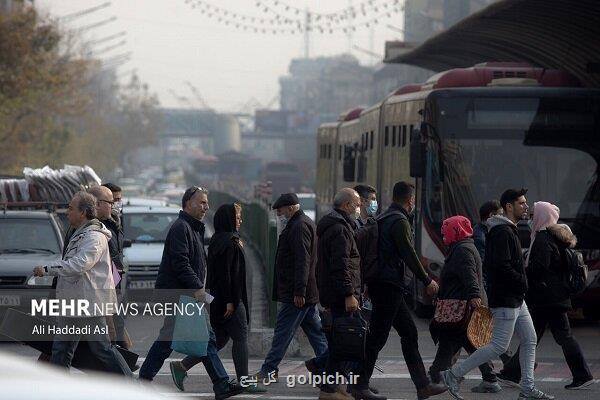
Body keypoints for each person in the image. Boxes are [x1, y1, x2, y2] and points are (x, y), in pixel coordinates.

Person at [441, 189, 554, 400]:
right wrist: (522, 281)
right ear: (509, 207)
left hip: (516, 298)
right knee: (498, 346)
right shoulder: (502, 232)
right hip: (506, 298)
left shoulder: (508, 229)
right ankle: (452, 374)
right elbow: (500, 266)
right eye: (521, 203)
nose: (525, 207)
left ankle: (527, 388)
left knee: (529, 339)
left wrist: (521, 284)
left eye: (525, 203)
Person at [139, 187, 242, 400]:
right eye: (202, 202)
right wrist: (198, 288)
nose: (206, 207)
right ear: (188, 203)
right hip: (182, 294)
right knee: (206, 337)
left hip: (185, 294)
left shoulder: (193, 228)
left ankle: (144, 379)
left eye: (207, 203)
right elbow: (180, 263)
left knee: (170, 339)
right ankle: (221, 384)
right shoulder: (181, 228)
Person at [356, 181, 446, 400]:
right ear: (410, 200)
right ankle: (359, 385)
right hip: (389, 285)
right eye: (413, 200)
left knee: (409, 332)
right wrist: (427, 280)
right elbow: (408, 254)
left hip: (385, 284)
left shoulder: (385, 217)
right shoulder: (399, 221)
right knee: (377, 336)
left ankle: (422, 386)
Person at [33, 192, 131, 376]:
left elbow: (80, 264)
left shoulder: (94, 237)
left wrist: (47, 269)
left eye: (71, 208)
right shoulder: (79, 233)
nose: (67, 212)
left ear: (83, 212)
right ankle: (57, 391)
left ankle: (133, 388)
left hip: (89, 302)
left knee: (102, 349)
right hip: (74, 301)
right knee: (61, 349)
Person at [170, 203, 264, 393]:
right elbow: (229, 276)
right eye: (237, 217)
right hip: (230, 300)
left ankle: (182, 366)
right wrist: (231, 301)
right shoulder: (231, 243)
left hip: (217, 299)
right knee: (240, 338)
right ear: (229, 219)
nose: (240, 221)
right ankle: (244, 382)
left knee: (219, 339)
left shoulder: (217, 240)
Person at [499, 203, 594, 390]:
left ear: (542, 216)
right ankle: (512, 373)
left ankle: (582, 375)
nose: (531, 217)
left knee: (551, 337)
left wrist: (524, 271)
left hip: (547, 298)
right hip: (553, 297)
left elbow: (539, 268)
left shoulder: (543, 238)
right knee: (533, 336)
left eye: (534, 214)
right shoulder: (554, 236)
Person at [254, 193, 328, 382]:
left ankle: (269, 369)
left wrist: (299, 291)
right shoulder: (303, 222)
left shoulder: (299, 226)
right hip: (306, 292)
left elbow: (302, 261)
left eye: (280, 210)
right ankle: (330, 367)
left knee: (283, 331)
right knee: (316, 333)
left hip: (297, 294)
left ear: (290, 207)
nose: (279, 213)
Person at [428, 216, 501, 394]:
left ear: (456, 231)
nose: (444, 234)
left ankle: (436, 376)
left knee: (449, 340)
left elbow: (469, 274)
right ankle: (490, 378)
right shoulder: (462, 246)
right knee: (469, 341)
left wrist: (474, 295)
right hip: (462, 304)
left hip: (460, 306)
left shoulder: (462, 250)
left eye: (446, 230)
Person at [316, 188, 362, 400]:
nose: (359, 208)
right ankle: (328, 390)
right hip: (340, 294)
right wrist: (349, 294)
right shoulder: (340, 230)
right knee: (341, 344)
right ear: (346, 206)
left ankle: (336, 387)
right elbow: (341, 264)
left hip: (334, 292)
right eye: (357, 203)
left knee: (340, 342)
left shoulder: (335, 226)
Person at [89, 185, 130, 349]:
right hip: (102, 287)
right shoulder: (96, 227)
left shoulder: (115, 222)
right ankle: (122, 367)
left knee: (115, 329)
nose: (116, 204)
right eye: (113, 200)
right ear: (98, 203)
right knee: (112, 333)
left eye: (119, 200)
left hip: (115, 284)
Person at [472, 200, 503, 266]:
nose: (503, 218)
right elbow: (483, 264)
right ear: (491, 215)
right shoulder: (480, 238)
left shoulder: (489, 231)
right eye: (500, 215)